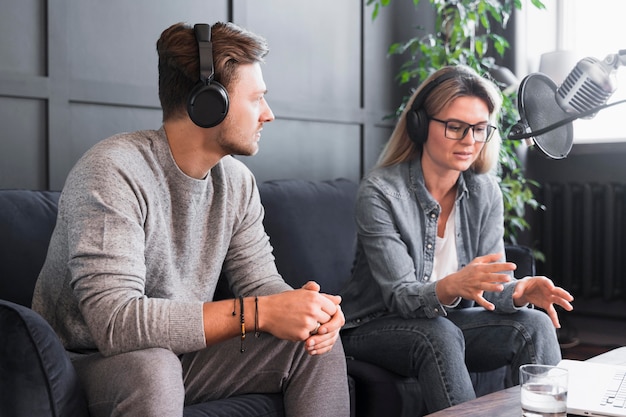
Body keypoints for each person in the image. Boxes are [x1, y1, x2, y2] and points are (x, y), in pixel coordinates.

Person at [32, 21, 349, 417]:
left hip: (180, 354)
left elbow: (260, 283)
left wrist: (306, 310)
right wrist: (261, 312)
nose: (268, 114)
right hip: (88, 362)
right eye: (256, 99)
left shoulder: (236, 182)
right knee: (154, 366)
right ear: (209, 103)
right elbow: (114, 322)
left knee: (312, 344)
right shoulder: (112, 170)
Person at [338, 65, 574, 413]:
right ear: (420, 125)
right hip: (373, 326)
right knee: (439, 333)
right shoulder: (382, 192)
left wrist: (518, 291)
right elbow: (400, 296)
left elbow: (493, 285)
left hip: (443, 322)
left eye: (479, 129)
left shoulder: (485, 191)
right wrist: (452, 286)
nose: (469, 141)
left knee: (534, 323)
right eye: (455, 127)